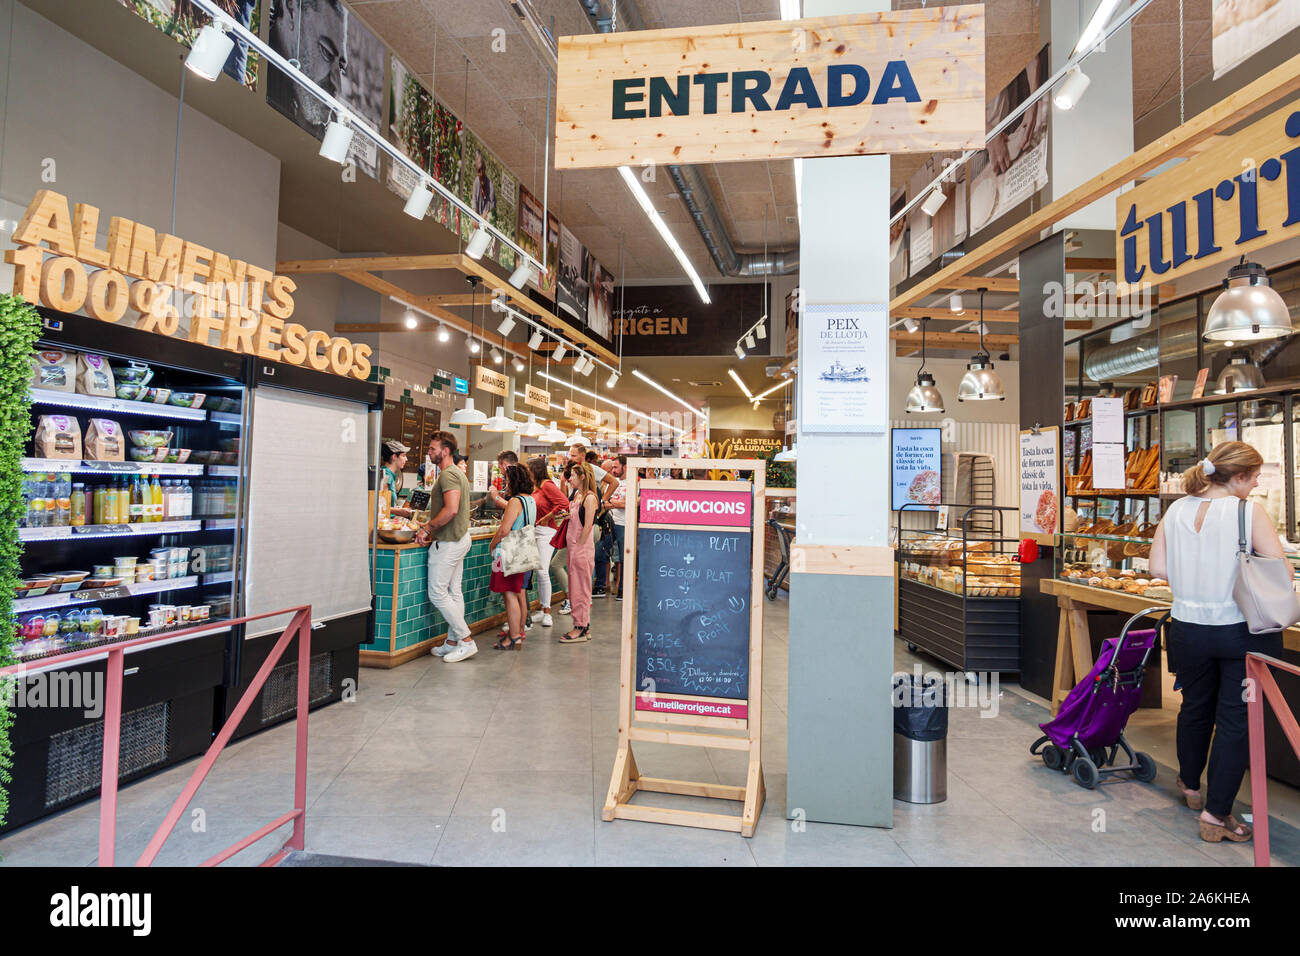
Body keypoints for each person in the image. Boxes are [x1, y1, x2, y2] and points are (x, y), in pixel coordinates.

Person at [1149, 440, 1283, 844]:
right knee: (1235, 721)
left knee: (1194, 707)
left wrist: (1194, 581)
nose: (1258, 484)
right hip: (1238, 630)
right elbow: (1280, 570)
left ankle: (1190, 787)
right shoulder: (1248, 512)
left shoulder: (1176, 509)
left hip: (1186, 628)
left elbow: (1157, 567)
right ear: (1238, 476)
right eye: (1255, 476)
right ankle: (1217, 814)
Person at [414, 432, 476, 663]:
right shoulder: (456, 474)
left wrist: (427, 528)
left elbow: (450, 510)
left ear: (445, 451)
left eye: (432, 449)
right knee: (453, 592)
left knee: (438, 593)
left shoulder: (449, 475)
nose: (429, 452)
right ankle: (453, 642)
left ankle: (466, 640)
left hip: (449, 542)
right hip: (459, 538)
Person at [488, 464, 536, 650]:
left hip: (511, 549)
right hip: (526, 548)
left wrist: (492, 544)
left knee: (509, 596)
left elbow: (504, 530)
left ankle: (514, 636)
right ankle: (518, 631)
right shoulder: (530, 500)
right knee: (519, 594)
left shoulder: (515, 501)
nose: (506, 483)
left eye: (507, 479)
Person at [560, 461, 599, 644]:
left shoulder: (590, 498)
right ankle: (581, 624)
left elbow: (588, 525)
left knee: (581, 589)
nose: (570, 478)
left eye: (573, 476)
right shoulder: (577, 495)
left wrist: (579, 546)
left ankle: (580, 627)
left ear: (582, 477)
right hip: (573, 547)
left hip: (581, 549)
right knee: (575, 587)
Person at [528, 457, 568, 628]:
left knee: (543, 571)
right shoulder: (535, 487)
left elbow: (564, 503)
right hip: (535, 531)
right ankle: (542, 607)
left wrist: (548, 516)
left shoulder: (546, 485)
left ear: (534, 470)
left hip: (546, 532)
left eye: (528, 470)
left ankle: (547, 612)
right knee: (538, 571)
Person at [594, 455, 627, 599]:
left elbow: (626, 504)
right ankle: (602, 585)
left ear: (624, 467)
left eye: (615, 467)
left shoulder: (632, 483)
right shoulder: (611, 483)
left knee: (622, 558)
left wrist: (612, 502)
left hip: (623, 523)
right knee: (601, 554)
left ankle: (622, 589)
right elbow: (603, 503)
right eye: (612, 467)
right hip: (607, 522)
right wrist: (616, 502)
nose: (613, 470)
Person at [379, 439, 411, 518]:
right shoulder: (386, 476)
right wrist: (398, 511)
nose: (406, 459)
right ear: (394, 457)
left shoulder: (390, 475)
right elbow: (379, 506)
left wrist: (396, 509)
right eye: (403, 455)